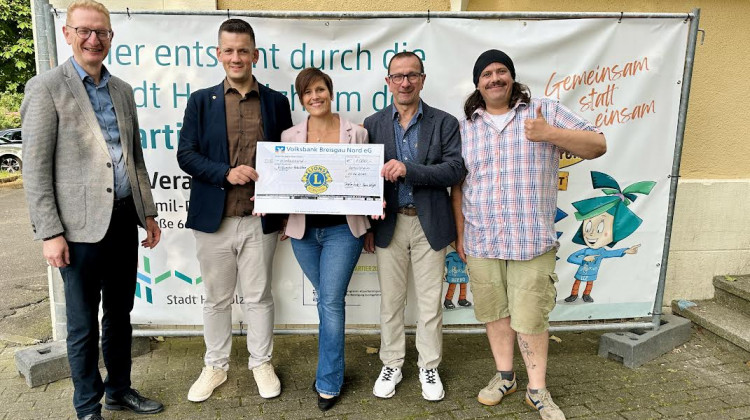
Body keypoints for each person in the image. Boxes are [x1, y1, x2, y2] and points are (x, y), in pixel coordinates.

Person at [20, 1, 163, 419]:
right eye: (84, 30)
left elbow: (134, 158)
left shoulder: (122, 90)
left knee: (120, 315)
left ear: (111, 37)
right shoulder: (46, 87)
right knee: (82, 325)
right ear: (67, 34)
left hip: (122, 220)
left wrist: (148, 213)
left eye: (101, 32)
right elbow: (35, 168)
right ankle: (87, 406)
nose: (93, 39)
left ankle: (119, 390)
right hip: (76, 230)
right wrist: (50, 232)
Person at [452, 49, 606, 420]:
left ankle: (538, 390)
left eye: (500, 71)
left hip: (531, 240)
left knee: (531, 316)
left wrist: (549, 134)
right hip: (482, 238)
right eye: (486, 74)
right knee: (494, 313)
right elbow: (458, 186)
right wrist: (460, 235)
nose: (494, 78)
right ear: (477, 84)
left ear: (512, 76)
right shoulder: (464, 127)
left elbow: (598, 145)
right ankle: (505, 377)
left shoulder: (544, 111)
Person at [176, 18, 292, 403]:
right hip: (215, 220)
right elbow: (186, 155)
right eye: (229, 50)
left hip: (260, 219)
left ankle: (261, 362)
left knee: (259, 297)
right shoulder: (200, 101)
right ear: (218, 54)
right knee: (216, 299)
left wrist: (286, 209)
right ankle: (215, 366)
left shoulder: (276, 102)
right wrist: (226, 172)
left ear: (255, 55)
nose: (236, 57)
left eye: (243, 50)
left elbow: (288, 160)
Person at [364, 52, 465, 401]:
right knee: (391, 303)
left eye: (412, 75)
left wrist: (409, 169)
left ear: (422, 79)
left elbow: (455, 170)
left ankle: (428, 365)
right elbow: (365, 178)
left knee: (429, 303)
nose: (405, 82)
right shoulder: (373, 124)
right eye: (398, 76)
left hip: (429, 224)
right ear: (388, 82)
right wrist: (367, 226)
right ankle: (391, 362)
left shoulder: (444, 122)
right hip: (388, 224)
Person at [281, 67, 373, 411]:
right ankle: (330, 368)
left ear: (330, 93)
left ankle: (329, 381)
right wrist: (275, 209)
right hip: (303, 234)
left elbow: (366, 181)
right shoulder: (289, 136)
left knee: (331, 301)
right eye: (307, 92)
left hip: (342, 232)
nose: (315, 97)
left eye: (320, 89)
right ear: (301, 99)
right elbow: (284, 181)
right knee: (327, 302)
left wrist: (371, 222)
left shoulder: (357, 133)